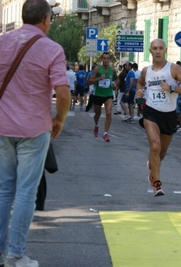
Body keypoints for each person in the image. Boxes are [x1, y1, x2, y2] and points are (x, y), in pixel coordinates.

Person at [0, 0, 71, 266]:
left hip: (2, 128)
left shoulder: (2, 42)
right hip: (33, 129)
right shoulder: (51, 49)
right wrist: (59, 120)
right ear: (45, 19)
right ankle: (15, 256)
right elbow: (63, 93)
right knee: (25, 193)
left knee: (3, 190)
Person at [136, 39, 181, 197]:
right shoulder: (146, 71)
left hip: (169, 114)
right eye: (155, 48)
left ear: (165, 50)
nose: (158, 51)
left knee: (162, 152)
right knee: (155, 146)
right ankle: (157, 184)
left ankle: (152, 167)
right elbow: (140, 84)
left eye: (161, 48)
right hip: (151, 112)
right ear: (150, 51)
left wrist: (172, 88)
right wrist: (139, 92)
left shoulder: (173, 68)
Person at [88, 52, 118, 142]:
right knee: (98, 114)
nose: (106, 60)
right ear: (102, 59)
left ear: (110, 60)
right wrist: (98, 79)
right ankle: (96, 125)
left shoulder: (112, 70)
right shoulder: (97, 69)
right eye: (104, 58)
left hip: (108, 94)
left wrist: (115, 85)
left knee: (108, 112)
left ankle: (105, 133)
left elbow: (117, 78)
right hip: (98, 95)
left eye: (107, 58)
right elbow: (89, 81)